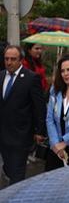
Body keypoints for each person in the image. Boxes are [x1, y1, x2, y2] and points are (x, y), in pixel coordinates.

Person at [0, 45, 46, 184]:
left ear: (21, 60)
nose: (9, 62)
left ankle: (13, 201)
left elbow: (39, 107)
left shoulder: (31, 78)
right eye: (6, 59)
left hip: (21, 135)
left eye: (13, 59)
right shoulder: (1, 76)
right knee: (8, 168)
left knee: (17, 175)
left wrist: (40, 130)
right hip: (3, 134)